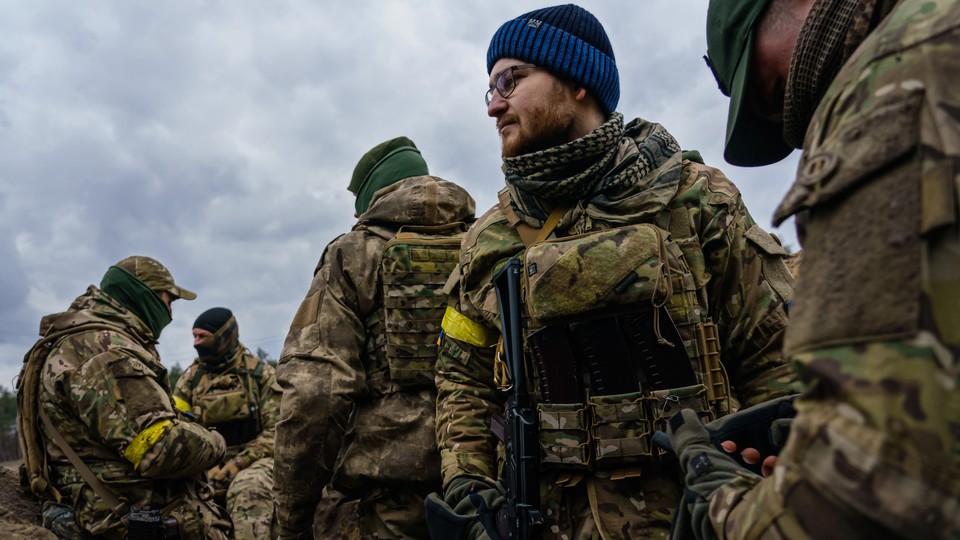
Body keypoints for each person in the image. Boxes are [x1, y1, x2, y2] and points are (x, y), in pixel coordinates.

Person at [428, 4, 800, 539]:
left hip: (696, 518)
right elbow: (461, 380)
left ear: (578, 81)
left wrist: (769, 492)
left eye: (512, 79)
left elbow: (771, 355)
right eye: (489, 89)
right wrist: (469, 484)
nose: (495, 105)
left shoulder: (694, 197)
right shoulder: (488, 239)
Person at [662, 0, 960, 537]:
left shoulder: (893, 84)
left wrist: (729, 507)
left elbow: (871, 490)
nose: (782, 121)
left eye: (757, 78)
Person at [273, 136, 477, 539]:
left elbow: (316, 393)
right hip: (488, 483)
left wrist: (292, 522)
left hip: (394, 496)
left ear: (371, 198)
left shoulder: (352, 254)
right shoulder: (488, 243)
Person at [17, 255, 231, 539]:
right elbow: (159, 450)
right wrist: (217, 442)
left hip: (96, 506)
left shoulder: (75, 342)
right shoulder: (107, 353)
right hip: (125, 518)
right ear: (145, 298)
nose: (170, 313)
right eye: (168, 301)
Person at [173, 307, 281, 540]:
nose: (196, 343)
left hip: (256, 462)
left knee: (247, 491)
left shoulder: (260, 375)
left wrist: (236, 464)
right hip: (206, 465)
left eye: (202, 337)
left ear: (224, 336)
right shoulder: (190, 379)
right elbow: (178, 428)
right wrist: (205, 466)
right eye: (194, 336)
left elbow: (277, 432)